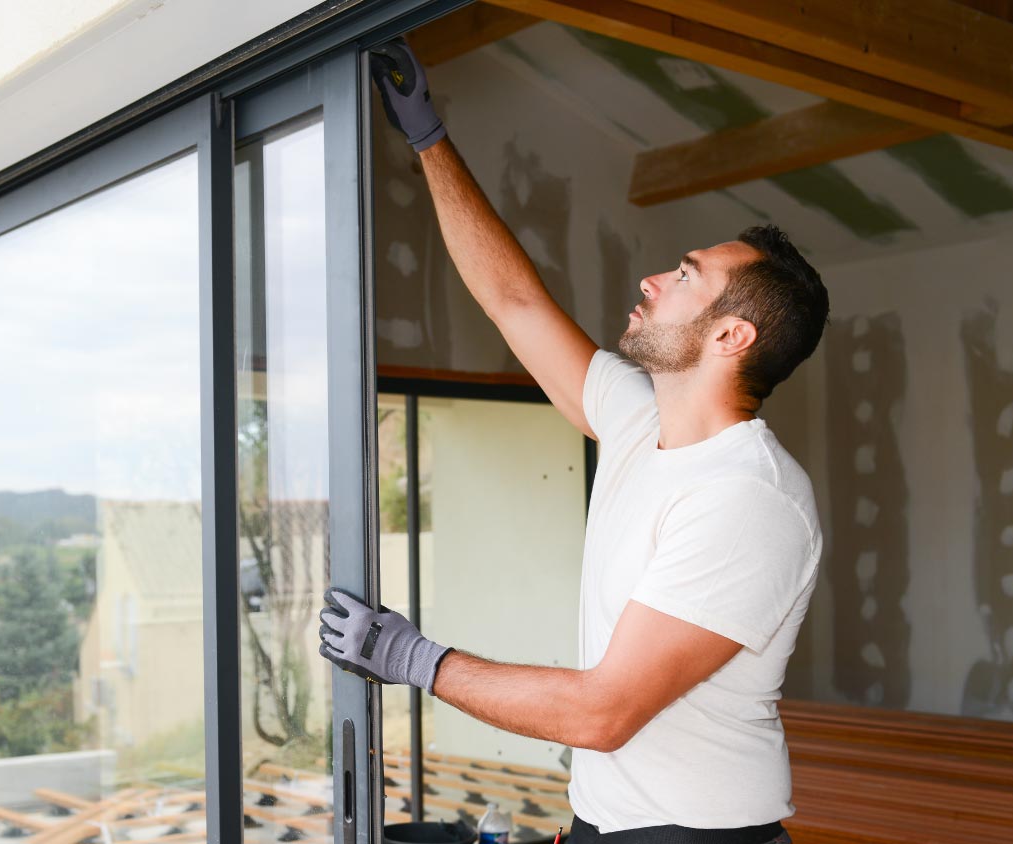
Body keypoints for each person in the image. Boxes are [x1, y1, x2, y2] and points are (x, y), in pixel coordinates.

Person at [317, 39, 829, 844]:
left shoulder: (749, 497)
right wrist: (427, 137)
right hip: (603, 823)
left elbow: (605, 711)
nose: (652, 280)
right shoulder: (639, 422)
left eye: (685, 276)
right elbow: (516, 301)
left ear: (731, 335)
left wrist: (415, 660)